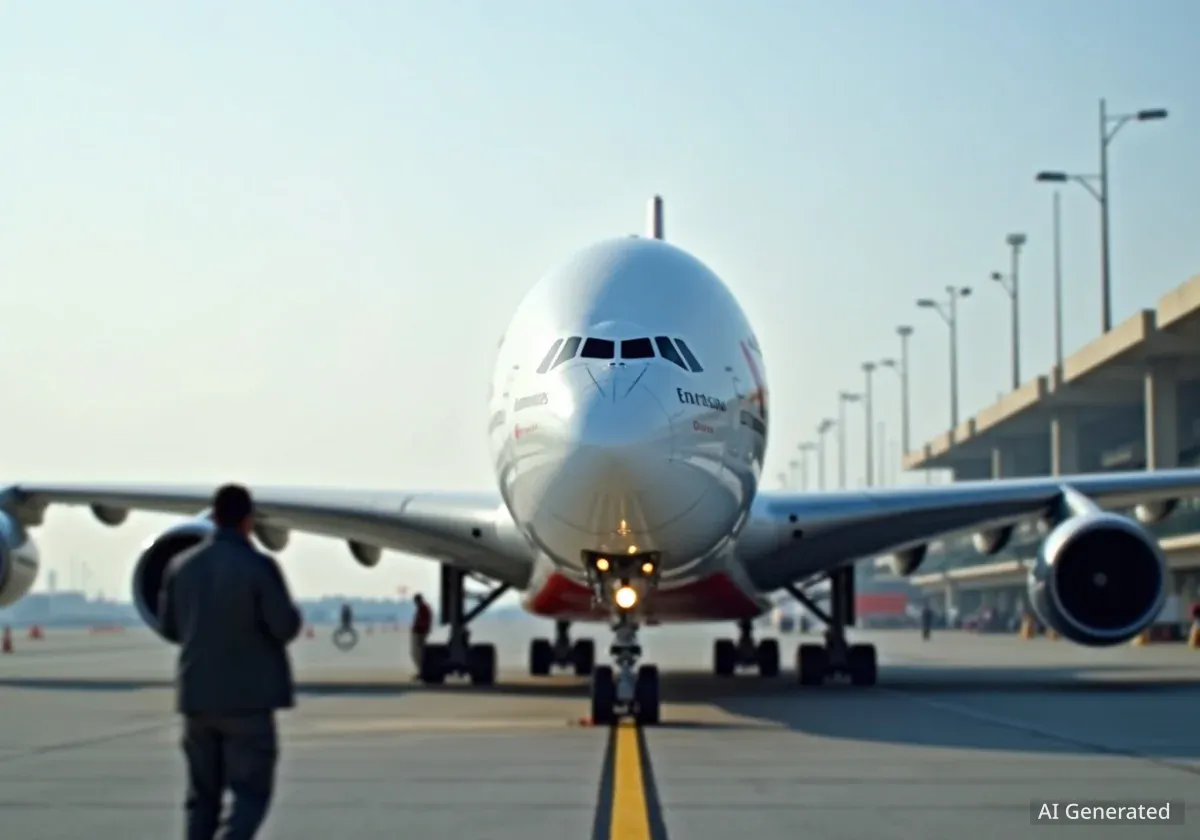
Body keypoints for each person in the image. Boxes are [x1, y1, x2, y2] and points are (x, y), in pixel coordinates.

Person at [158, 483, 303, 840]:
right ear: (248, 522)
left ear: (213, 517)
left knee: (202, 799)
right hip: (247, 701)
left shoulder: (181, 566)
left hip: (197, 698)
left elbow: (170, 627)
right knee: (251, 794)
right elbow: (283, 626)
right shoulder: (259, 566)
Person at [410, 593, 433, 672]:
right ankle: (421, 671)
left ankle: (421, 671)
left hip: (420, 633)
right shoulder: (423, 608)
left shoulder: (423, 609)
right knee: (418, 654)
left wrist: (419, 628)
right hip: (420, 633)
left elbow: (424, 623)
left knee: (417, 654)